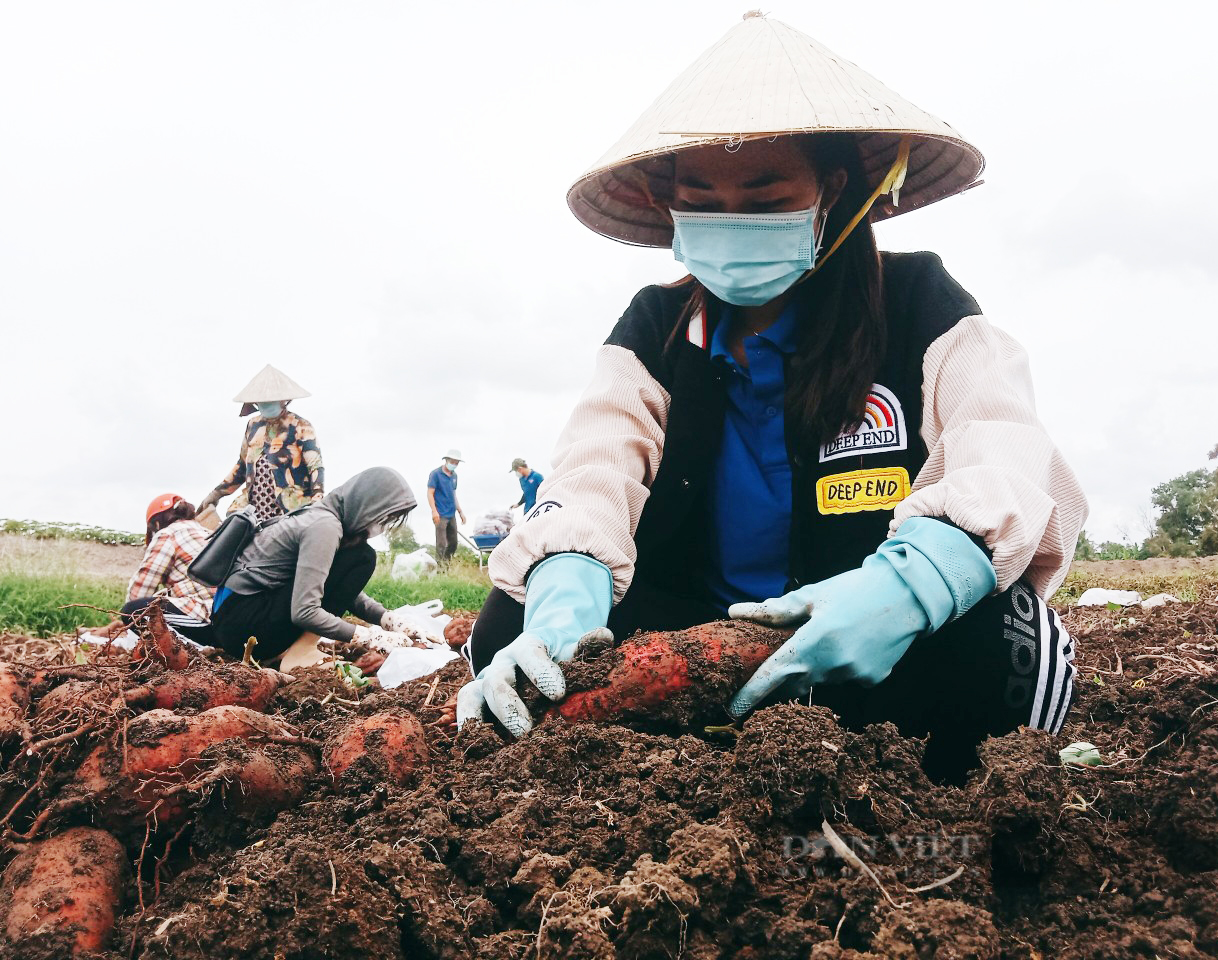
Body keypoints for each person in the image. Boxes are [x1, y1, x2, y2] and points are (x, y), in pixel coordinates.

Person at [457, 13, 1088, 779]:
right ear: (672, 208)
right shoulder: (657, 330)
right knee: (505, 631)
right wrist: (568, 585)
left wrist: (914, 581)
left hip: (860, 642)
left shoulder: (921, 304)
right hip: (691, 638)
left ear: (833, 191)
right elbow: (595, 465)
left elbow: (1006, 450)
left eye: (763, 197)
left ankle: (889, 771)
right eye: (703, 198)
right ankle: (661, 765)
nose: (732, 222)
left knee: (1012, 642)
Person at [209, 466, 417, 659]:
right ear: (368, 507)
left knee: (357, 557)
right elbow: (305, 612)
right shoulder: (324, 527)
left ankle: (287, 651)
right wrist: (368, 636)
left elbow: (334, 587)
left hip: (232, 624)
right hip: (244, 629)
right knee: (363, 557)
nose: (381, 526)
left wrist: (387, 619)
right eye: (384, 518)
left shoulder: (316, 515)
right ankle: (301, 652)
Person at [198, 364, 324, 523]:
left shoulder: (300, 425)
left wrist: (317, 497)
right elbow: (242, 466)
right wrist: (216, 494)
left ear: (283, 400)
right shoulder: (253, 425)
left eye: (270, 401)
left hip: (290, 506)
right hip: (254, 506)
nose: (265, 404)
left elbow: (315, 465)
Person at [88, 494, 217, 643]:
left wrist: (126, 622)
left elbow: (140, 590)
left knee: (133, 612)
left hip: (206, 619)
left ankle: (192, 648)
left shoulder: (168, 534)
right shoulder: (207, 533)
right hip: (226, 615)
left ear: (156, 524)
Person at [428, 449, 466, 568]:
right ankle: (439, 569)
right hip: (440, 514)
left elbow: (453, 495)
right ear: (446, 460)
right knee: (441, 544)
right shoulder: (435, 474)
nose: (454, 464)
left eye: (456, 463)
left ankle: (446, 566)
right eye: (452, 462)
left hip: (451, 513)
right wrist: (434, 511)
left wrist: (460, 511)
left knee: (453, 543)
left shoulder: (454, 476)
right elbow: (430, 493)